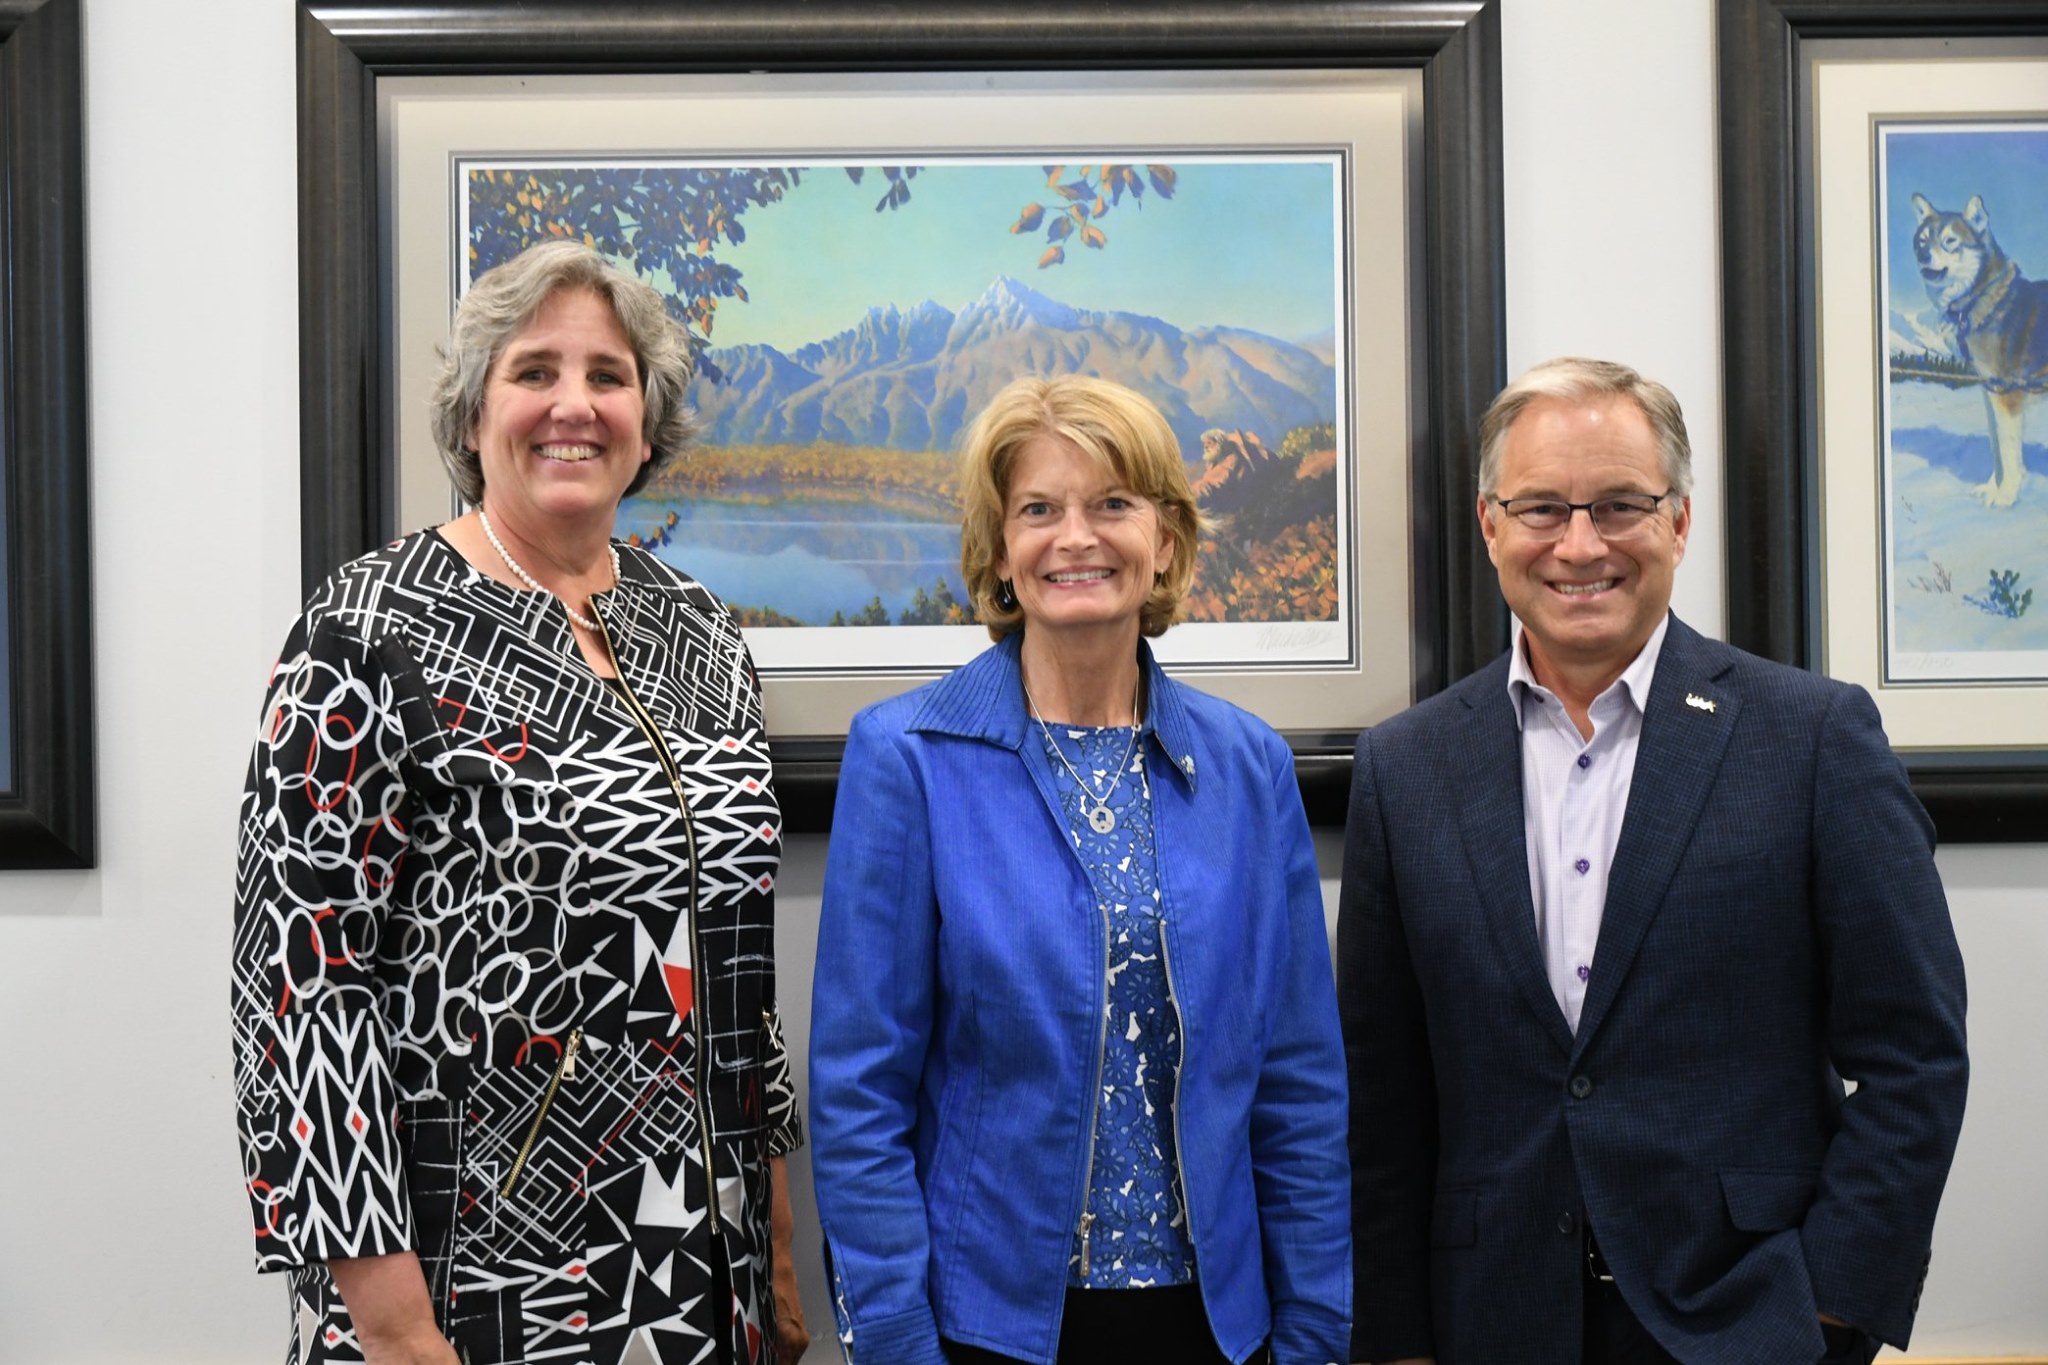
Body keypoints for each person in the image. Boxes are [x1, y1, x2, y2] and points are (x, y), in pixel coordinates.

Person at [232, 240, 809, 1365]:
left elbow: (739, 970)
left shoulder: (697, 627)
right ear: (473, 409)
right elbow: (301, 998)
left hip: (699, 1268)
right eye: (534, 371)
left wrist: (776, 1243)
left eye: (608, 375)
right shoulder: (368, 629)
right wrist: (394, 1327)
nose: (574, 406)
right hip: (477, 1276)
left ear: (648, 417)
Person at [1338, 356, 1969, 1365]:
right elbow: (1380, 1093)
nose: (1578, 543)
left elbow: (1913, 1056)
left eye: (1619, 505)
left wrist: (1828, 1309)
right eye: (1540, 507)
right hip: (1486, 1323)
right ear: (1488, 525)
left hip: (1743, 1323)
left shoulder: (1809, 738)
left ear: (1677, 522)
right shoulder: (1405, 766)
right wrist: (1395, 1339)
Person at [807, 375, 1351, 1365]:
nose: (1077, 538)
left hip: (1219, 1329)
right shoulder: (906, 758)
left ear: (1166, 542)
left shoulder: (1248, 766)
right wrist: (893, 1344)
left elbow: (1296, 1083)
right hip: (986, 1331)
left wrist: (1315, 1331)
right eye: (1038, 510)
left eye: (1113, 504)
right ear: (1000, 554)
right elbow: (858, 1097)